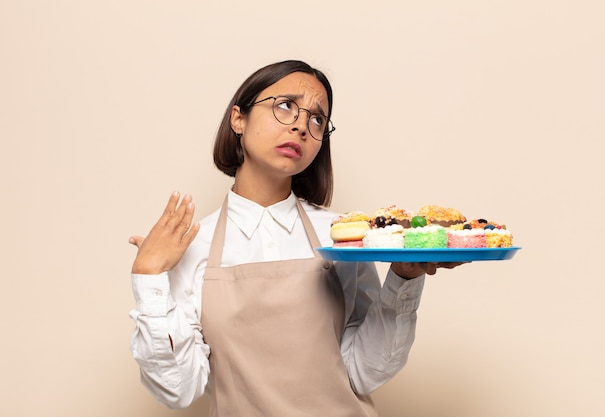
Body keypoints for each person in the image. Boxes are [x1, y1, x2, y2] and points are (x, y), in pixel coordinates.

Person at [128, 59, 462, 416]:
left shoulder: (342, 237)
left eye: (317, 119)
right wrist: (148, 278)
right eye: (285, 106)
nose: (302, 126)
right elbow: (179, 391)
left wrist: (404, 278)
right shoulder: (194, 246)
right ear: (238, 118)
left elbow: (365, 372)